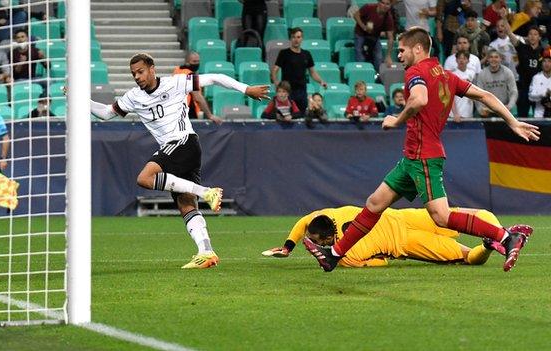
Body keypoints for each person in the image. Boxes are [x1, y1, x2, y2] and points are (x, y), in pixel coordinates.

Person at [302, 27, 540, 273]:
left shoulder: (416, 72)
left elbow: (419, 99)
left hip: (424, 156)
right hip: (412, 158)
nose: (399, 55)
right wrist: (512, 121)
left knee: (441, 216)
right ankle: (334, 254)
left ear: (418, 49)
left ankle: (505, 237)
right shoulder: (447, 76)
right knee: (374, 204)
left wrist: (396, 120)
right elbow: (485, 95)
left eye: (402, 50)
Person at [89, 53, 269, 269]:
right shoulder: (133, 97)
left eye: (141, 71)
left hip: (184, 142)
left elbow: (216, 77)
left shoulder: (175, 83)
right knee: (186, 205)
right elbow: (107, 113)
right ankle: (206, 252)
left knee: (145, 178)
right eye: (133, 74)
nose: (137, 77)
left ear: (152, 69)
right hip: (177, 149)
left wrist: (245, 89)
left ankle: (206, 192)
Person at [263, 206, 531, 267]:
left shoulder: (345, 255)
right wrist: (289, 245)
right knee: (463, 215)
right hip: (406, 216)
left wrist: (289, 247)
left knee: (468, 258)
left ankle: (486, 246)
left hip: (406, 243)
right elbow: (304, 222)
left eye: (316, 243)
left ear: (325, 241)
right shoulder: (330, 213)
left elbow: (383, 263)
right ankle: (500, 234)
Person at [271, 28, 328, 116]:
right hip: (288, 92)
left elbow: (312, 72)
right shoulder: (284, 53)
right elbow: (275, 70)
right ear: (290, 38)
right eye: (294, 37)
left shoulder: (307, 54)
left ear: (302, 39)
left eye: (298, 37)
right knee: (287, 116)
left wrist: (321, 81)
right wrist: (276, 83)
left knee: (302, 116)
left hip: (302, 92)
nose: (296, 40)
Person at [172, 51, 222, 124]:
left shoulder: (177, 71)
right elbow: (198, 97)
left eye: (198, 61)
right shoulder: (191, 75)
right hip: (188, 113)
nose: (196, 64)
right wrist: (210, 115)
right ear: (187, 62)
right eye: (194, 61)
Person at [352, 0, 396, 70]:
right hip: (360, 34)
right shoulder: (368, 7)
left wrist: (388, 56)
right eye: (383, 3)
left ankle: (378, 75)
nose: (384, 6)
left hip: (374, 36)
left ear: (390, 6)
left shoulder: (388, 18)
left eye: (387, 4)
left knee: (379, 57)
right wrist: (363, 26)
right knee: (360, 55)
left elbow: (390, 38)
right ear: (378, 3)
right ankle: (361, 72)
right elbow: (356, 15)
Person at [474, 49, 517, 117]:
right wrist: (480, 109)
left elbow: (514, 92)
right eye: (491, 57)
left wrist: (509, 106)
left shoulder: (508, 72)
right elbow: (478, 94)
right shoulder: (482, 74)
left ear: (500, 59)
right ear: (487, 59)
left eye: (496, 57)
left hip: (504, 109)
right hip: (487, 110)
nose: (493, 59)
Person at [512, 26, 544, 118]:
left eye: (535, 34)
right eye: (530, 34)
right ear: (527, 37)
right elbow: (510, 34)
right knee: (522, 118)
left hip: (539, 89)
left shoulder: (544, 51)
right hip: (523, 88)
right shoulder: (522, 48)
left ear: (540, 37)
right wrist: (504, 18)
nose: (532, 36)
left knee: (540, 117)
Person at [449, 51, 476, 121]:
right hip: (454, 116)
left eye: (464, 58)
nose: (461, 60)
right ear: (456, 60)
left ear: (468, 60)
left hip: (468, 113)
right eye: (459, 58)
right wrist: (455, 113)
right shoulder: (451, 75)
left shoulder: (472, 74)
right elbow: (450, 96)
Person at [528, 48, 551, 118]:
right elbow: (531, 96)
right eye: (544, 61)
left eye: (549, 61)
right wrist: (544, 93)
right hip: (539, 115)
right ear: (541, 63)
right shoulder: (536, 78)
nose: (546, 64)